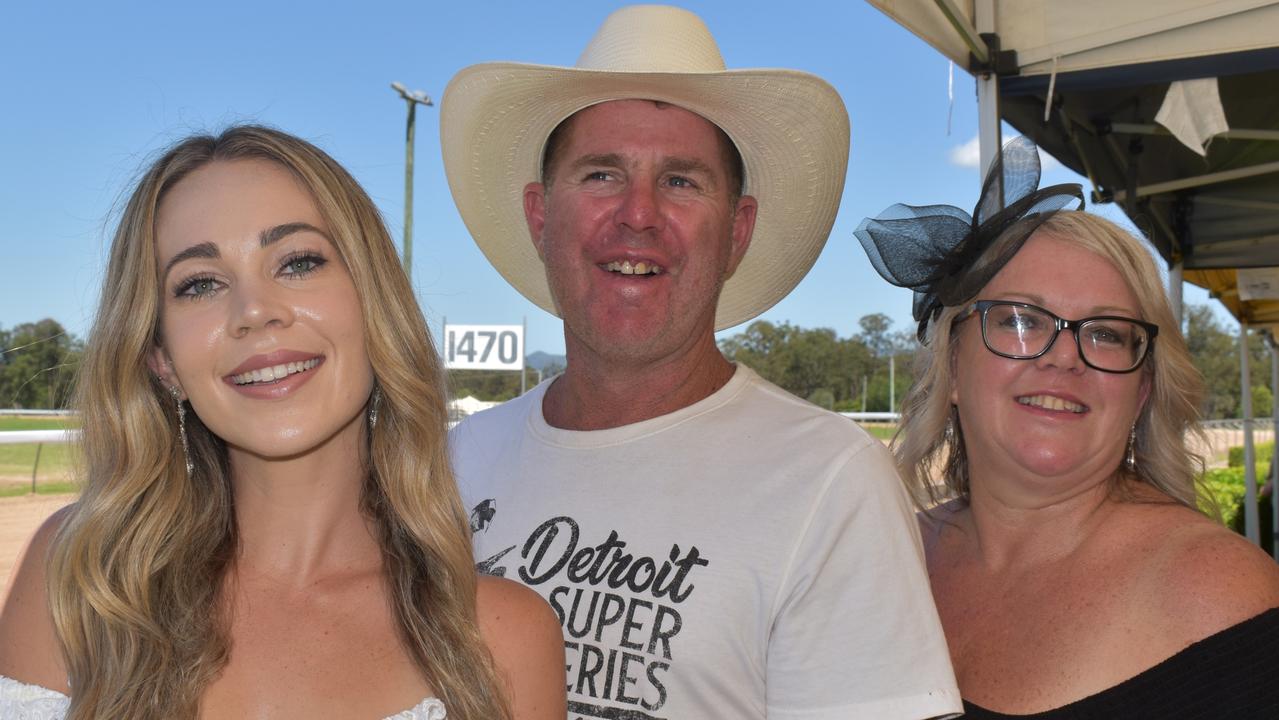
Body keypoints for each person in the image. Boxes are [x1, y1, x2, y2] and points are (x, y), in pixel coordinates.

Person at [440, 6, 961, 719]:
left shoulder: (828, 482)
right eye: (600, 174)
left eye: (681, 182)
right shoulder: (453, 462)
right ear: (540, 215)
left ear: (736, 232)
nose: (638, 214)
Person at [0, 125, 566, 719]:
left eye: (297, 263)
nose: (254, 312)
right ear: (162, 359)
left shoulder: (501, 638)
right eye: (200, 284)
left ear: (375, 307)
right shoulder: (83, 582)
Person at [857, 136, 1279, 718]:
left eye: (1106, 332)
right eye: (1021, 320)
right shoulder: (886, 553)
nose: (1064, 358)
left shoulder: (1218, 594)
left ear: (1143, 390)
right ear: (953, 367)